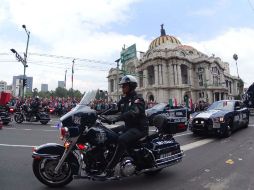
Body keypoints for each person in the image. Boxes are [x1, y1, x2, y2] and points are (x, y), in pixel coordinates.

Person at [99, 75, 148, 177]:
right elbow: (114, 109)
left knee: (121, 139)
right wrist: (98, 113)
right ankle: (105, 160)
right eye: (122, 86)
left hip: (139, 128)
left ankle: (110, 168)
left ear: (131, 86)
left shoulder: (138, 99)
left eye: (124, 86)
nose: (122, 88)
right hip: (129, 127)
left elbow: (133, 112)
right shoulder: (125, 99)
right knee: (108, 134)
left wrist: (116, 119)